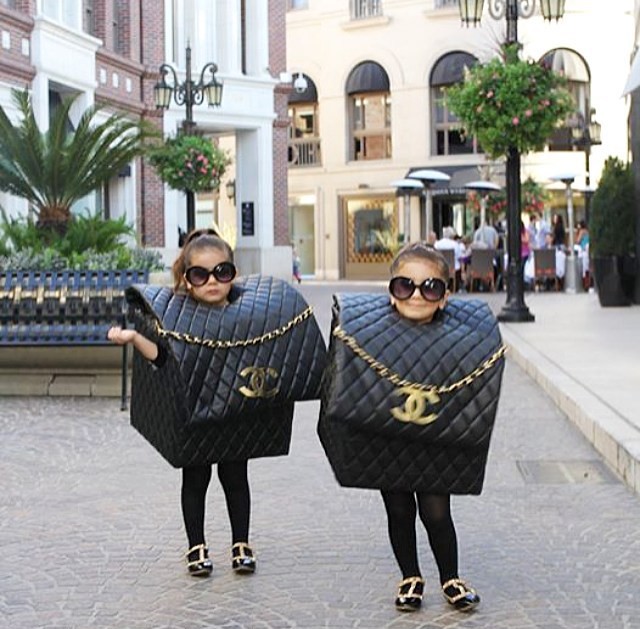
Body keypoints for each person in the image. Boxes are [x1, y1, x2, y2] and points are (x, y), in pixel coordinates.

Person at [108, 229, 326, 579]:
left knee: (236, 477)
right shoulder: (177, 315)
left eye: (222, 272)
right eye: (200, 274)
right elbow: (162, 357)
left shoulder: (252, 313)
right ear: (186, 279)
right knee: (195, 480)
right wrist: (134, 337)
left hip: (236, 413)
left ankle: (241, 543)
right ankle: (196, 546)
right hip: (196, 414)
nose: (212, 281)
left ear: (233, 274)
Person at [318, 242, 505, 614]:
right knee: (399, 511)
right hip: (386, 436)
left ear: (445, 296)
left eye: (430, 287)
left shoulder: (460, 338)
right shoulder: (369, 333)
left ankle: (450, 577)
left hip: (435, 439)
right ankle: (410, 576)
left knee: (437, 512)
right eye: (405, 286)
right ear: (391, 293)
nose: (417, 295)